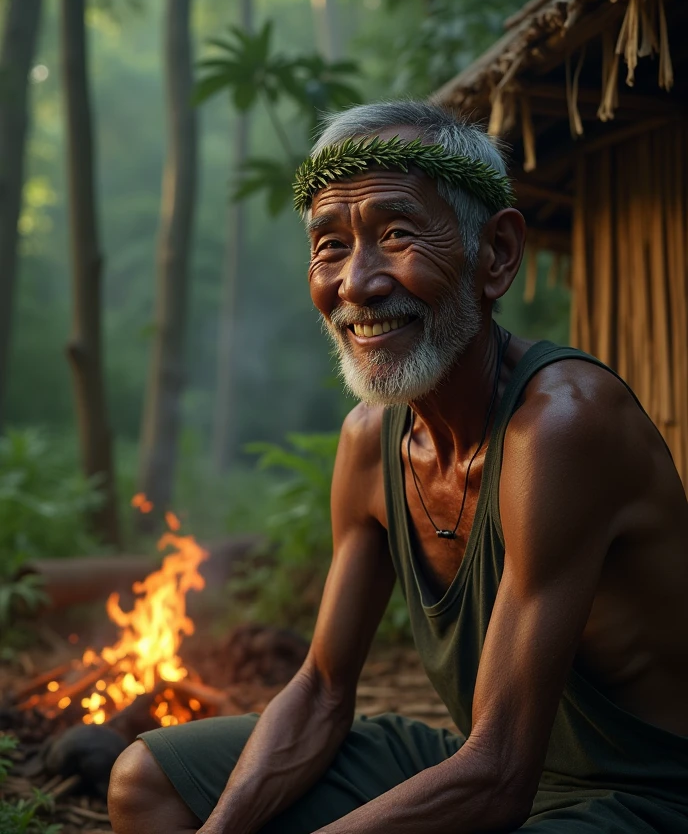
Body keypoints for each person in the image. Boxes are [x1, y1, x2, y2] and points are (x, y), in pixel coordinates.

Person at [108, 101, 688, 834]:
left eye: (397, 234)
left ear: (496, 255)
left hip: (642, 799)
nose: (357, 283)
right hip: (488, 765)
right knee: (149, 782)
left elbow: (501, 773)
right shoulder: (369, 443)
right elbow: (321, 689)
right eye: (329, 245)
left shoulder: (563, 428)